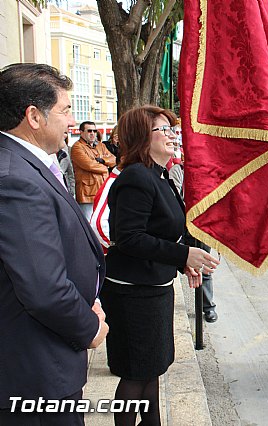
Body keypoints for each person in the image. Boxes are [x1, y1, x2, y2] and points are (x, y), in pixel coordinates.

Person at [0, 63, 109, 425]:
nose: (71, 122)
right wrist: (89, 327)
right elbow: (42, 286)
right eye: (65, 110)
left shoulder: (25, 165)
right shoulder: (16, 179)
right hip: (35, 373)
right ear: (33, 115)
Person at [99, 105, 219, 426]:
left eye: (171, 129)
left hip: (153, 288)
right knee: (136, 375)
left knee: (152, 370)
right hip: (133, 295)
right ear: (142, 138)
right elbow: (129, 238)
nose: (171, 135)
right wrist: (183, 256)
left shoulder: (159, 175)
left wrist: (184, 263)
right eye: (162, 130)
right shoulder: (137, 176)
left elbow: (160, 232)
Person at [169, 152, 218, 323]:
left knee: (203, 267)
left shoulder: (208, 172)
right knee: (178, 262)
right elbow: (174, 197)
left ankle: (207, 307)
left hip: (203, 226)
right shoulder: (177, 171)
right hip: (182, 224)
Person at [71, 120, 116, 219]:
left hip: (103, 189)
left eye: (95, 131)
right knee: (89, 223)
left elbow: (114, 159)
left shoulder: (100, 145)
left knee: (102, 221)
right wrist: (106, 167)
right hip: (87, 193)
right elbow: (89, 165)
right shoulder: (77, 147)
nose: (92, 133)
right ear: (81, 132)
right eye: (89, 131)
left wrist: (103, 161)